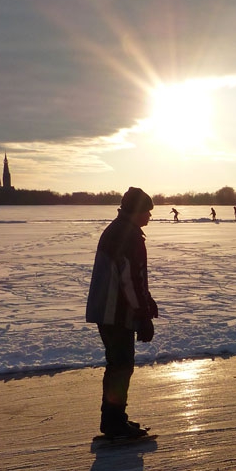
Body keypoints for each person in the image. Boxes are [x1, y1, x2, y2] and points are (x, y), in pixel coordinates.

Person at [86, 187, 159, 438]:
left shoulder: (119, 230)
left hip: (108, 309)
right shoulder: (128, 236)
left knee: (118, 364)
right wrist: (142, 314)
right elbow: (129, 280)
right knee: (121, 365)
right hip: (114, 311)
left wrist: (147, 301)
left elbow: (133, 278)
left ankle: (114, 419)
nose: (150, 216)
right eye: (147, 211)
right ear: (136, 211)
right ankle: (114, 422)